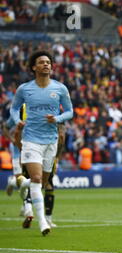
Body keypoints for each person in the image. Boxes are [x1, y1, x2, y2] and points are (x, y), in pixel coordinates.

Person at [10, 50, 73, 236]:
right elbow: (14, 109)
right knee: (37, 179)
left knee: (43, 183)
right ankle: (43, 223)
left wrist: (58, 118)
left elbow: (70, 112)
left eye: (48, 62)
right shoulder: (24, 89)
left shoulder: (60, 88)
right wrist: (17, 121)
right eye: (42, 62)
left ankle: (22, 184)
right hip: (30, 140)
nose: (46, 64)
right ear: (34, 67)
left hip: (50, 140)